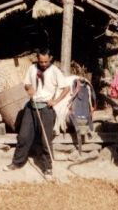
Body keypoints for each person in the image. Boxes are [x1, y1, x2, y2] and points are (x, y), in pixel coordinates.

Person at [4, 48, 70, 181]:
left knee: (46, 140)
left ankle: (48, 168)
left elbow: (66, 88)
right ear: (38, 59)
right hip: (31, 107)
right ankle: (17, 163)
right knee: (23, 136)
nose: (43, 64)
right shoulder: (32, 68)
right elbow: (26, 84)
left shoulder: (55, 71)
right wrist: (29, 89)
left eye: (46, 61)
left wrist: (55, 101)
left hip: (46, 109)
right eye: (41, 61)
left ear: (50, 58)